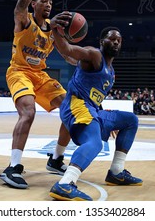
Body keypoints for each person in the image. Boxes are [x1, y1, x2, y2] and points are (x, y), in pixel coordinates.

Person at [48, 12, 143, 201]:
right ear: (102, 41)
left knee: (130, 120)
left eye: (119, 40)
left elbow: (95, 97)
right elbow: (67, 49)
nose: (116, 42)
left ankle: (116, 172)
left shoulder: (111, 72)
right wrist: (54, 30)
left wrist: (106, 119)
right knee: (95, 143)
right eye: (112, 39)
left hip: (93, 109)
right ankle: (65, 183)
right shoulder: (93, 54)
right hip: (76, 106)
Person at [0, 0, 72, 189]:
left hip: (40, 75)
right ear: (34, 4)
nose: (48, 4)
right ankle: (13, 167)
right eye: (44, 1)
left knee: (72, 109)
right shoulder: (24, 20)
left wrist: (91, 62)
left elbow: (68, 56)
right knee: (28, 113)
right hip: (19, 71)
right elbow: (20, 2)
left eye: (51, 2)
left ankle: (56, 158)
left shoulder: (53, 29)